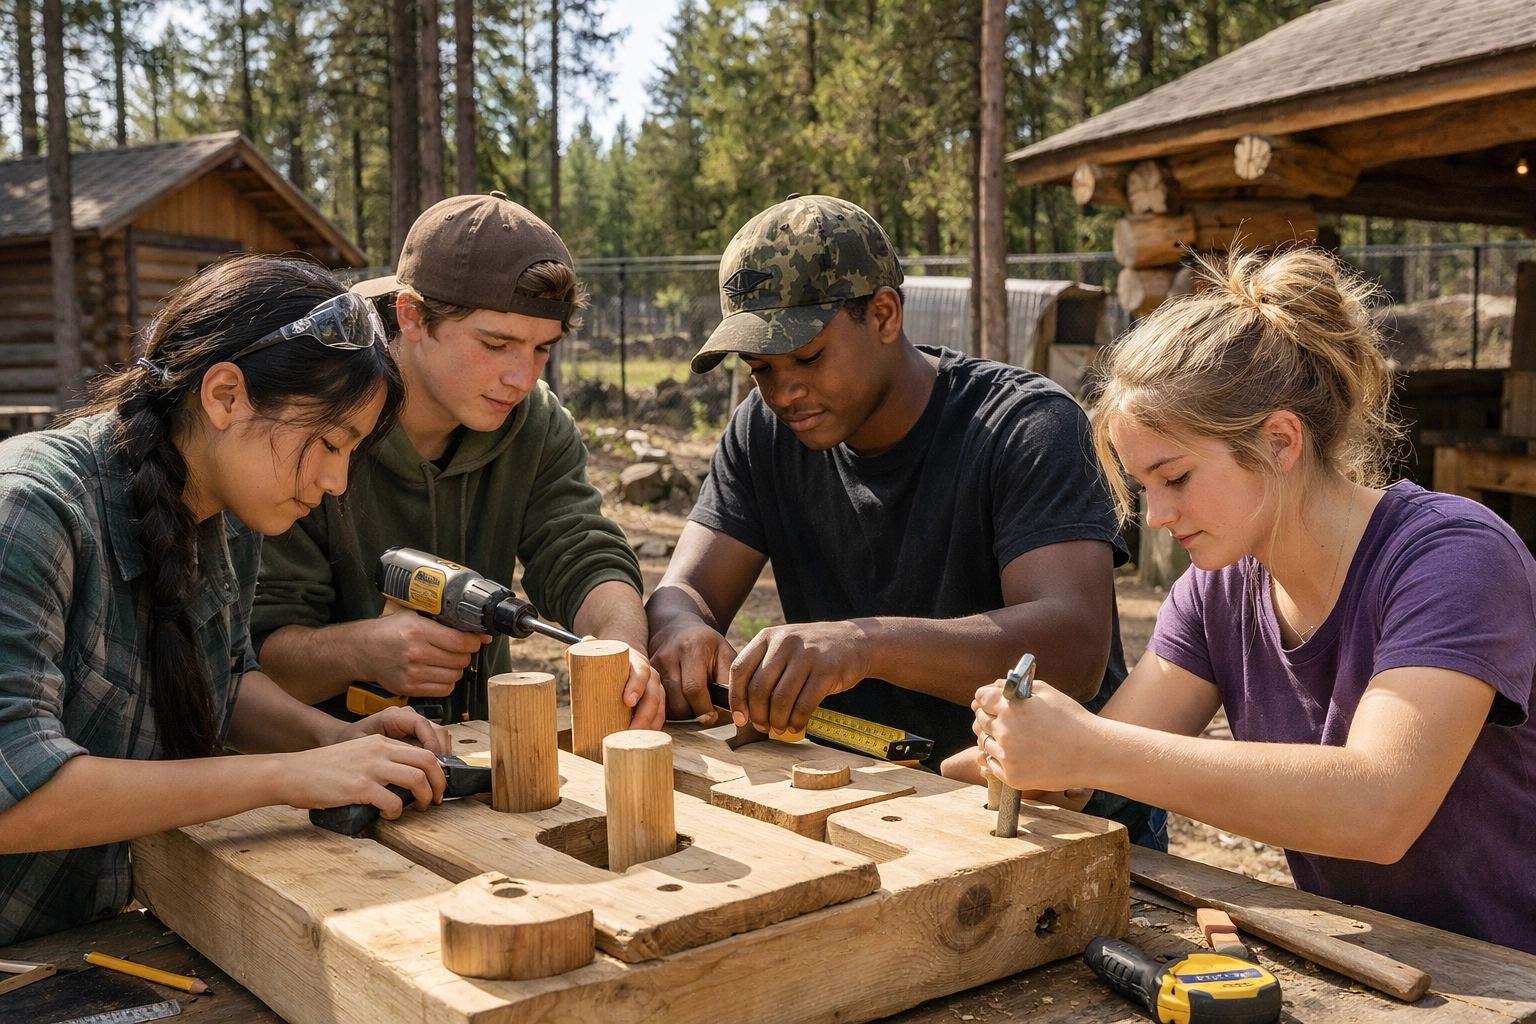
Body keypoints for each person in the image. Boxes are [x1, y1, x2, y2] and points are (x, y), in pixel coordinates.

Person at [968, 247, 1536, 953]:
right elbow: (1101, 763)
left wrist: (1086, 750)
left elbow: (1376, 808)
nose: (1160, 515)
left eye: (1174, 477)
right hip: (1373, 967)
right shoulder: (1215, 591)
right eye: (1145, 487)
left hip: (1511, 973)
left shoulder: (1455, 557)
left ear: (1278, 440)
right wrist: (1020, 752)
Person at [645, 194, 1163, 848]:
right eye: (761, 369)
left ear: (884, 314)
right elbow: (681, 593)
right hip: (876, 809)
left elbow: (1071, 649)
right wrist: (681, 630)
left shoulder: (1027, 426)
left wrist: (865, 645)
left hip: (1061, 827)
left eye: (806, 357)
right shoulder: (763, 434)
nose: (783, 392)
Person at [0, 257, 457, 947]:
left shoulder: (229, 509)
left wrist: (332, 741)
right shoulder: (30, 510)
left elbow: (223, 679)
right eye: (327, 442)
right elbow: (16, 796)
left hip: (78, 939)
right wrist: (288, 775)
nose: (336, 481)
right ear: (224, 396)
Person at [251, 193, 663, 728]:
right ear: (413, 316)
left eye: (542, 349)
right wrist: (363, 651)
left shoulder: (534, 423)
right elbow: (252, 659)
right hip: (317, 770)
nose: (523, 377)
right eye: (496, 345)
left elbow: (580, 550)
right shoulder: (314, 423)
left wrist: (621, 645)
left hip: (481, 753)